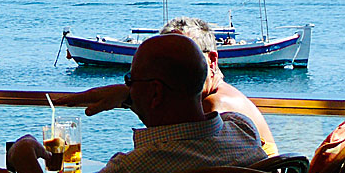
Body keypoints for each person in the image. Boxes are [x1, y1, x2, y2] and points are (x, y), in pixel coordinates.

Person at [7, 34, 267, 173]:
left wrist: (26, 163)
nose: (127, 87)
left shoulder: (134, 170)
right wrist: (131, 96)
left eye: (130, 80)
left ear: (155, 93)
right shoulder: (243, 130)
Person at [55, 16, 278, 155]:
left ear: (211, 62)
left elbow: (177, 152)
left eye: (183, 60)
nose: (171, 70)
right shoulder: (217, 104)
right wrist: (130, 96)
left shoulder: (217, 107)